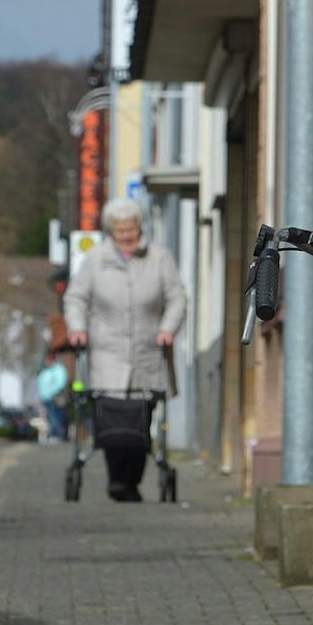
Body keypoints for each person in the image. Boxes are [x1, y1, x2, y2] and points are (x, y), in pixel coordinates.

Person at [62, 198, 187, 500]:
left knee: (139, 419)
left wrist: (167, 330)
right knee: (114, 419)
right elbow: (76, 298)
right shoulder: (95, 259)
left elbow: (177, 298)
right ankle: (118, 481)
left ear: (139, 227)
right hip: (107, 352)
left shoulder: (159, 258)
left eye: (131, 229)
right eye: (120, 230)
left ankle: (129, 481)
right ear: (110, 231)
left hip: (148, 351)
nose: (127, 235)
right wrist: (77, 328)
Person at [36, 352, 70, 441]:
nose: (45, 361)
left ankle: (55, 435)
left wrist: (51, 392)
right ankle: (53, 435)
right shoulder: (45, 370)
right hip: (45, 398)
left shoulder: (58, 369)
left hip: (54, 397)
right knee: (50, 418)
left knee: (54, 417)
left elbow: (60, 383)